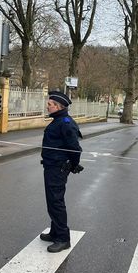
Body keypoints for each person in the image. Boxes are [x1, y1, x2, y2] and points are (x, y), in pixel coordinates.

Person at [40, 91, 84, 253]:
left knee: (56, 202)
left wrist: (74, 164)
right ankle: (55, 232)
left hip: (58, 168)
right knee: (52, 201)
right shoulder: (58, 121)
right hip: (52, 166)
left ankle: (63, 238)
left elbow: (74, 148)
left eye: (50, 104)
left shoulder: (65, 123)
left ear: (58, 107)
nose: (47, 106)